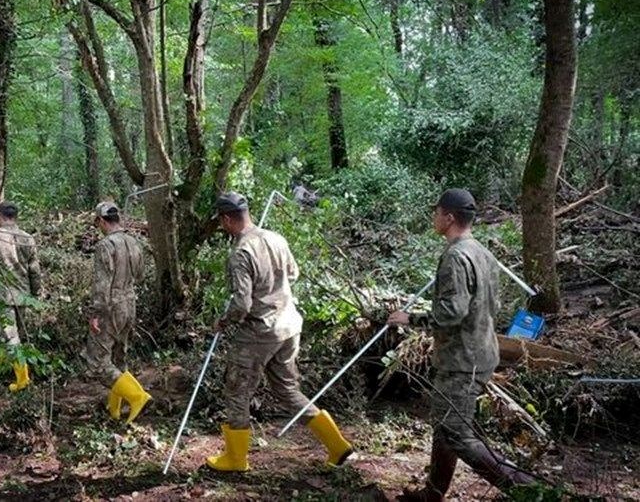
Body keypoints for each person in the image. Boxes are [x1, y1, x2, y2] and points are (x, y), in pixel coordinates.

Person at [388, 189, 534, 501]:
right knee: (445, 428)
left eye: (437, 211)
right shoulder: (482, 252)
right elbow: (492, 305)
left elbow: (451, 314)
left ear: (449, 217)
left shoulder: (456, 256)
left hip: (462, 360)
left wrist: (409, 319)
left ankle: (530, 491)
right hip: (479, 352)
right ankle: (432, 494)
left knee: (455, 434)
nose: (434, 217)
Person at [206, 191, 353, 472]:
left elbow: (242, 303)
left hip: (259, 332)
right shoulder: (276, 238)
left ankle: (236, 460)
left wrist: (224, 321)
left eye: (221, 222)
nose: (222, 226)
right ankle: (337, 444)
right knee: (287, 390)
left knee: (237, 392)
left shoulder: (241, 253)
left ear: (226, 219)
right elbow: (293, 274)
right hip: (288, 326)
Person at [83, 201, 150, 424]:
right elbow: (141, 276)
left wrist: (95, 314)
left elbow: (102, 284)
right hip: (130, 304)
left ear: (102, 221)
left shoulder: (106, 245)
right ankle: (115, 409)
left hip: (110, 308)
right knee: (118, 358)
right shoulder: (134, 242)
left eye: (98, 222)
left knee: (98, 362)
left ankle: (136, 396)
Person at [0, 201, 42, 392]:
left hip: (1, 295)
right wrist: (35, 293)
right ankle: (5, 372)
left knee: (10, 338)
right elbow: (35, 270)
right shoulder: (27, 238)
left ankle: (23, 381)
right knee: (14, 336)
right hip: (22, 294)